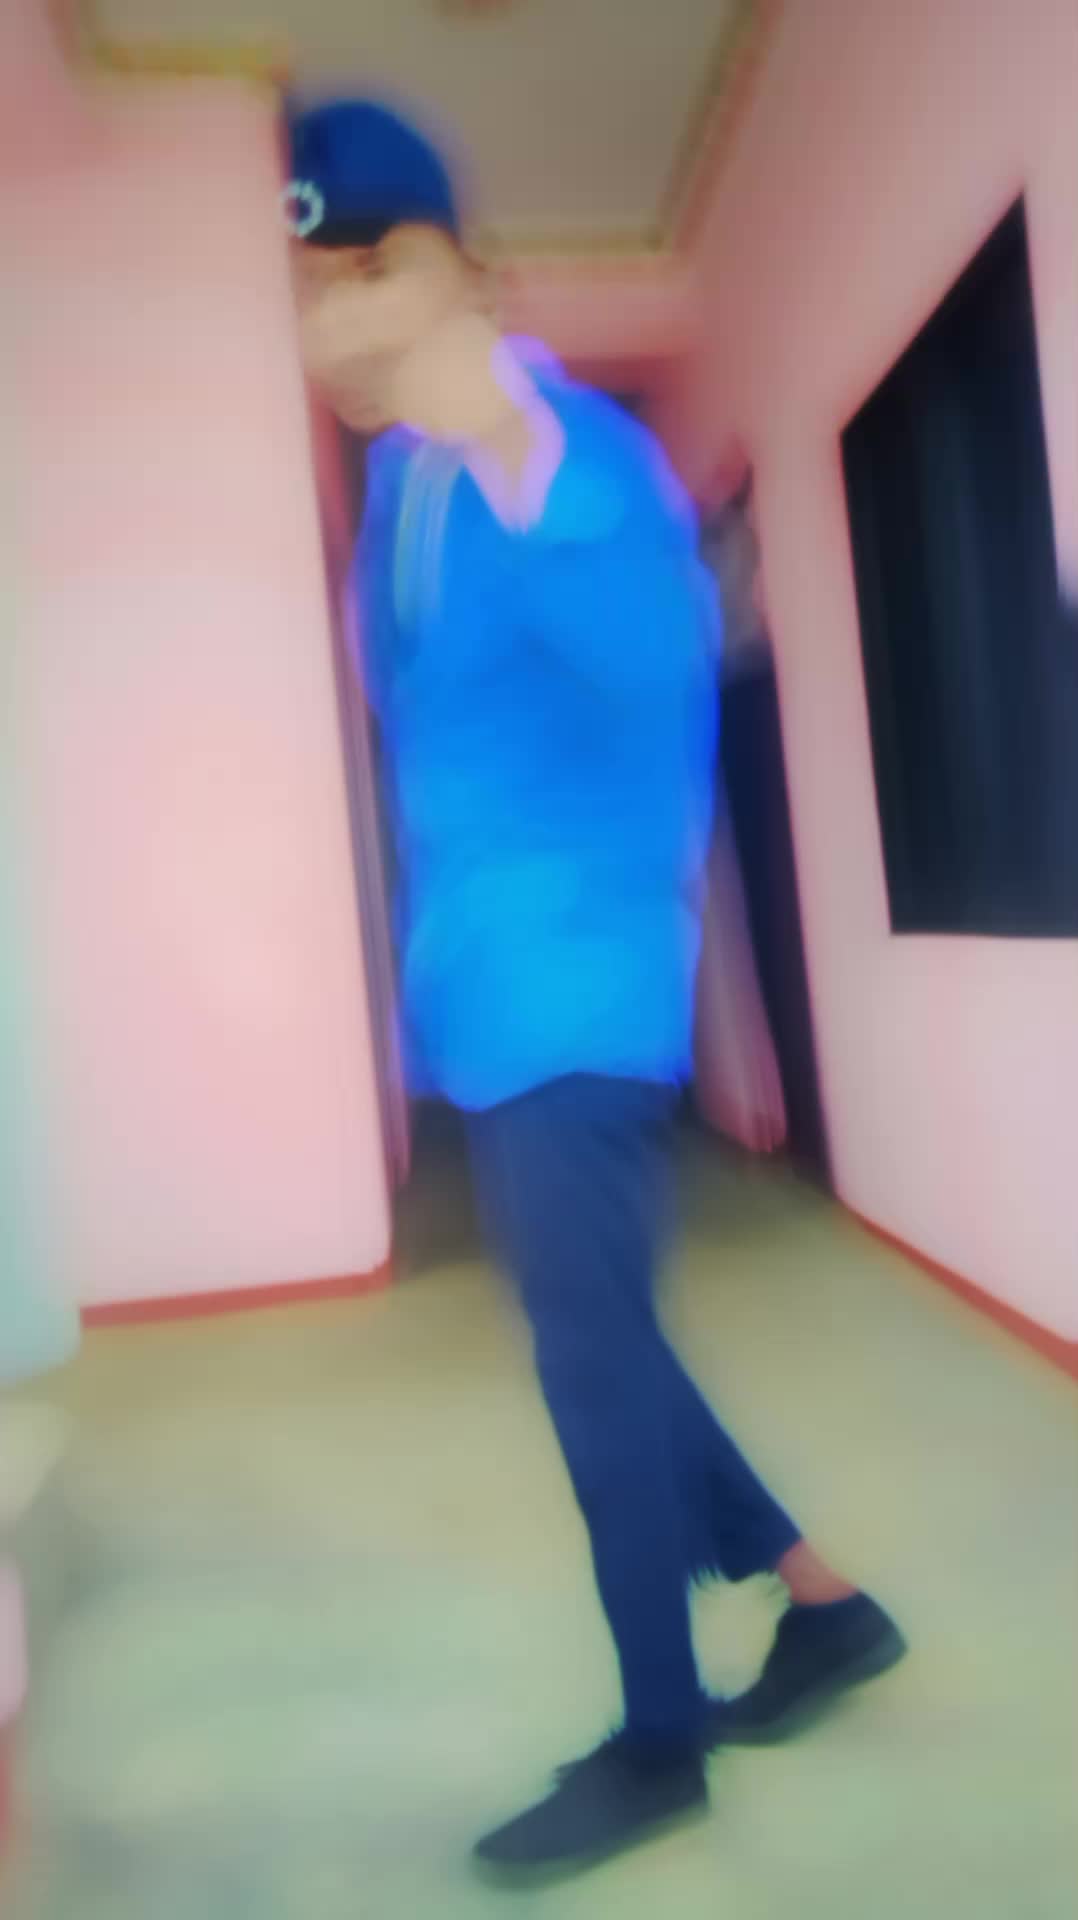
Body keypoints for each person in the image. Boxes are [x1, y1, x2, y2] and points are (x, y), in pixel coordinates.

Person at [284, 97, 906, 1879]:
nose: (342, 313)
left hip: (579, 979)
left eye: (377, 268)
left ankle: (658, 1742)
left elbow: (655, 673)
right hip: (487, 990)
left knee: (587, 1363)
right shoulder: (402, 488)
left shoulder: (566, 450)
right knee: (604, 1334)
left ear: (468, 276)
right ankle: (824, 1607)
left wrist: (504, 438)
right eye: (317, 285)